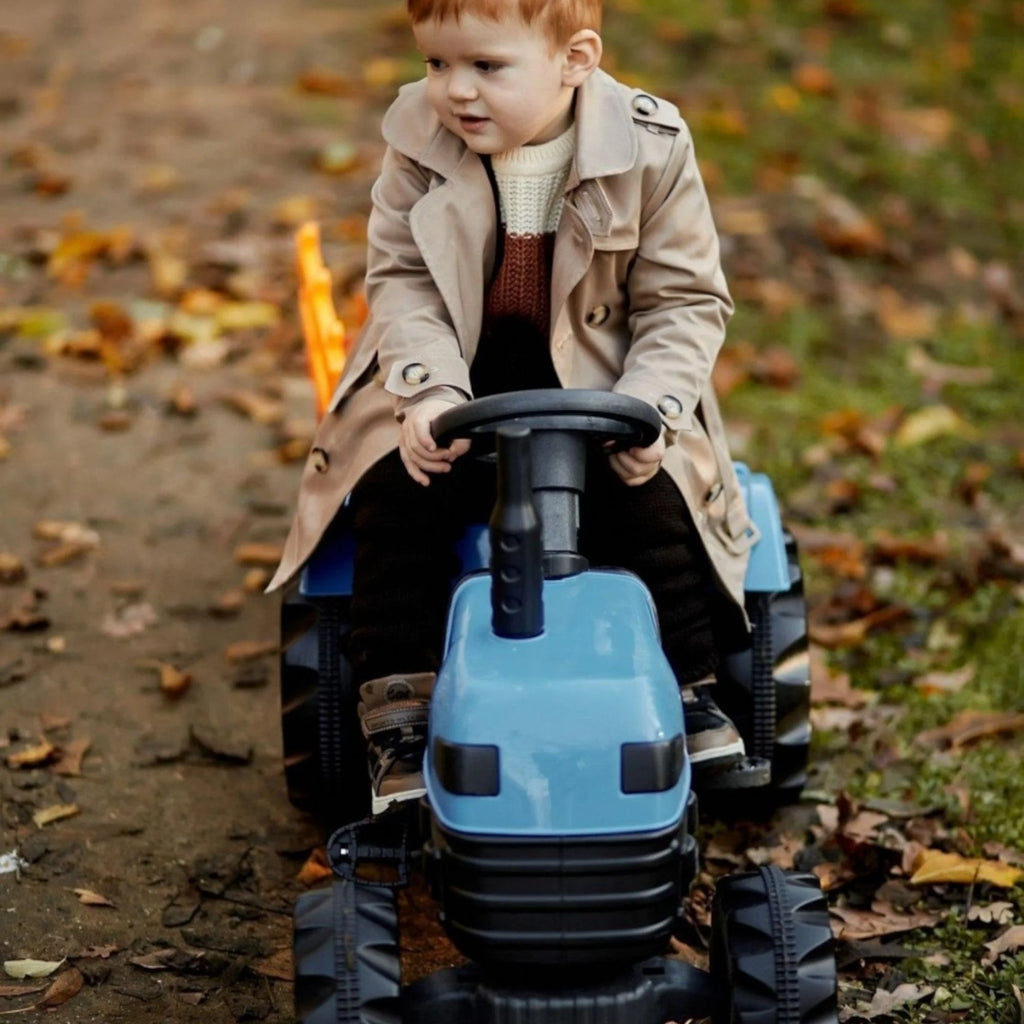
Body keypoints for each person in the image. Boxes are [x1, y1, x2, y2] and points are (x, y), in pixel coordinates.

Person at [268, 0, 762, 815]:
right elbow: (404, 284)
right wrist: (426, 390)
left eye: (486, 68)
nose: (454, 91)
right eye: (436, 64)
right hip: (458, 377)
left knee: (651, 500)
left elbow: (684, 302)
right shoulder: (417, 145)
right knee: (397, 494)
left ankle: (687, 682)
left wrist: (651, 407)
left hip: (603, 384)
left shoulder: (651, 148)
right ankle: (398, 705)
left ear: (575, 60)